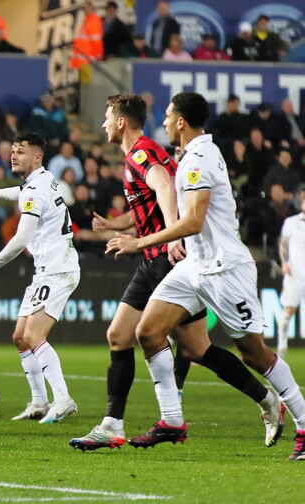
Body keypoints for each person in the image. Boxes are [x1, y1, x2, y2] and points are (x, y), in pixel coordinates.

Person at [69, 93, 279, 451]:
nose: (103, 124)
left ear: (121, 122)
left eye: (107, 118)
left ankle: (262, 400)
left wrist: (171, 237)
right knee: (129, 336)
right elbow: (150, 202)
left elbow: (166, 189)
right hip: (153, 259)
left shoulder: (141, 154)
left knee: (184, 345)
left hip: (166, 258)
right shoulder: (143, 154)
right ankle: (115, 425)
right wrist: (115, 225)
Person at [0, 132, 80, 423]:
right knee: (20, 338)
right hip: (47, 269)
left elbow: (21, 239)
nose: (13, 155)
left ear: (37, 157)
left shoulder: (34, 190)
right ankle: (39, 402)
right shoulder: (44, 180)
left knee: (33, 335)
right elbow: (20, 192)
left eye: (20, 151)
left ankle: (63, 399)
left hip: (57, 270)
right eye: (13, 150)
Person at [277, 192, 305, 359]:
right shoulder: (291, 222)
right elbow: (283, 244)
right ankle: (282, 345)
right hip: (295, 275)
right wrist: (284, 263)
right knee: (289, 311)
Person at [71, 2, 104, 75]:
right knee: (83, 81)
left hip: (88, 61)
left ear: (92, 8)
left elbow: (96, 41)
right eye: (84, 8)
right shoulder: (88, 21)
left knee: (87, 81)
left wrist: (98, 57)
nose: (85, 10)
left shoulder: (93, 21)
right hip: (84, 61)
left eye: (86, 8)